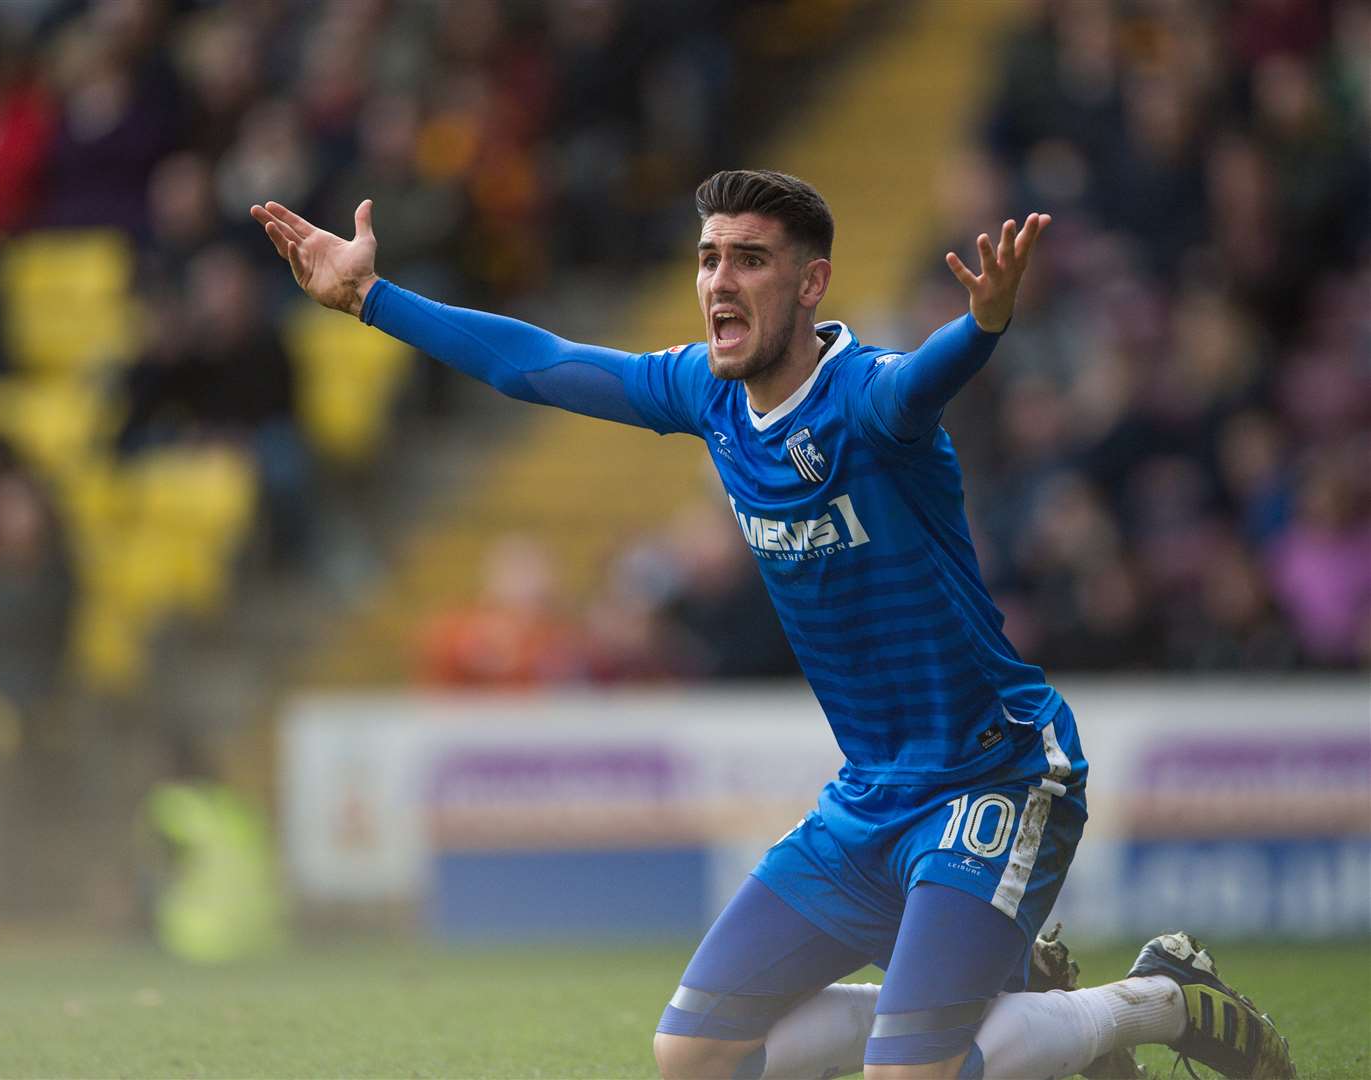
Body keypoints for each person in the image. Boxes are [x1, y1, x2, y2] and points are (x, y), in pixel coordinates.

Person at [250, 171, 1296, 1080]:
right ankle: (1011, 998)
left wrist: (980, 327)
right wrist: (372, 299)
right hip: (869, 798)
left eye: (750, 260)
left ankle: (1158, 998)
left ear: (811, 283)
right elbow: (535, 361)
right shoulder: (705, 397)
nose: (718, 282)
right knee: (692, 1056)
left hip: (995, 770)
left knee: (912, 1073)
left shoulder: (866, 398)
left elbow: (921, 385)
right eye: (708, 258)